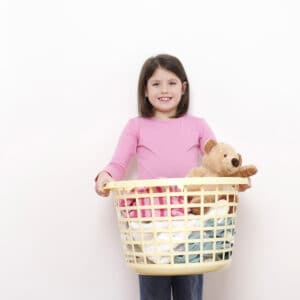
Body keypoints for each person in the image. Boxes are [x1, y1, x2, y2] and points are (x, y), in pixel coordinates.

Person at [95, 54, 250, 300]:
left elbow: (218, 160)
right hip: (153, 220)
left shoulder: (198, 125)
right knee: (153, 290)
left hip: (190, 215)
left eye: (171, 83)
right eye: (156, 84)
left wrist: (235, 177)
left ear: (183, 87)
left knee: (189, 290)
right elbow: (118, 163)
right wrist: (105, 175)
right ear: (145, 90)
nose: (164, 90)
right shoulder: (136, 126)